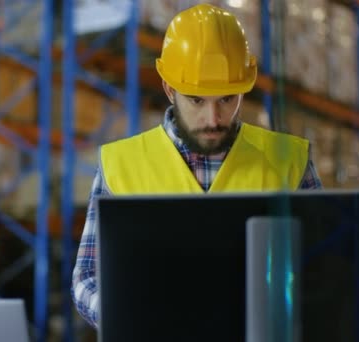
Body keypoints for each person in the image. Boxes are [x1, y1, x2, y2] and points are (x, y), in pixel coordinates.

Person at [71, 3, 322, 328]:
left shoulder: (290, 159)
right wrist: (130, 314)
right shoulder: (120, 164)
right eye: (197, 100)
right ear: (169, 89)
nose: (213, 118)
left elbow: (325, 268)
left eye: (227, 99)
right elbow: (86, 279)